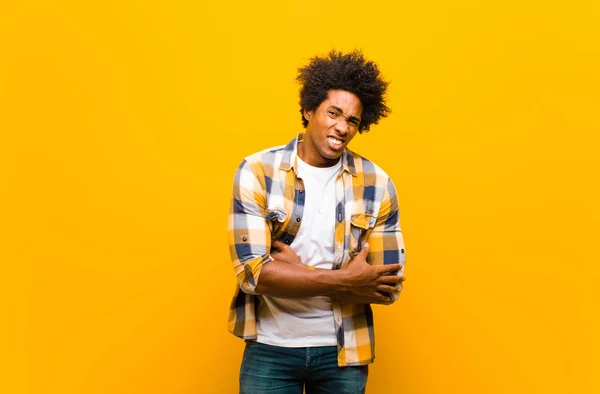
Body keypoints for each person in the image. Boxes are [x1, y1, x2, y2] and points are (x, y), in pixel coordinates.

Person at [227, 50, 406, 394]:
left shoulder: (377, 183)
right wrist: (347, 279)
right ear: (309, 110)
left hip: (343, 352)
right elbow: (253, 275)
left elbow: (387, 288)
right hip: (270, 348)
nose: (342, 127)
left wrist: (300, 274)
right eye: (333, 113)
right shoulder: (257, 172)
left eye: (352, 120)